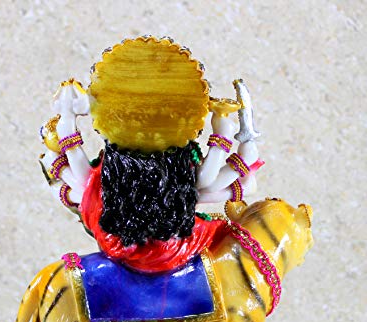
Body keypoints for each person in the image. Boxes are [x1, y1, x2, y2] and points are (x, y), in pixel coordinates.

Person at [40, 81, 263, 273]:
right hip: (164, 245)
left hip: (160, 238)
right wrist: (223, 129)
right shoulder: (105, 180)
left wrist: (66, 124)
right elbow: (223, 181)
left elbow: (67, 180)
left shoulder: (177, 174)